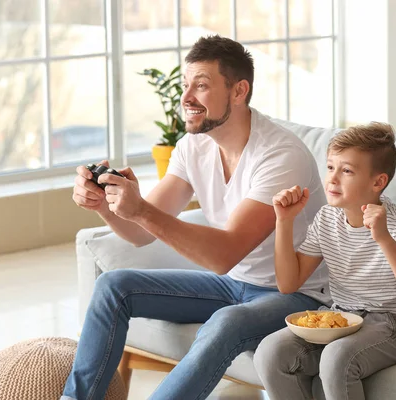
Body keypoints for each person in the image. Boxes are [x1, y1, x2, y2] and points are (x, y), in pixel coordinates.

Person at [63, 35, 330, 400]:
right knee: (114, 286)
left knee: (227, 322)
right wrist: (105, 205)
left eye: (201, 86)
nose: (186, 97)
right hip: (235, 286)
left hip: (299, 294)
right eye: (186, 84)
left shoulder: (281, 156)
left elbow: (224, 254)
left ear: (239, 91)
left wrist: (141, 209)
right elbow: (140, 233)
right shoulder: (194, 147)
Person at [253, 122, 396, 400]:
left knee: (337, 358)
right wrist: (284, 221)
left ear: (378, 182)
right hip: (344, 317)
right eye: (330, 167)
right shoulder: (327, 218)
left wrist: (383, 238)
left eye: (346, 170)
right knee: (269, 352)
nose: (333, 179)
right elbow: (288, 283)